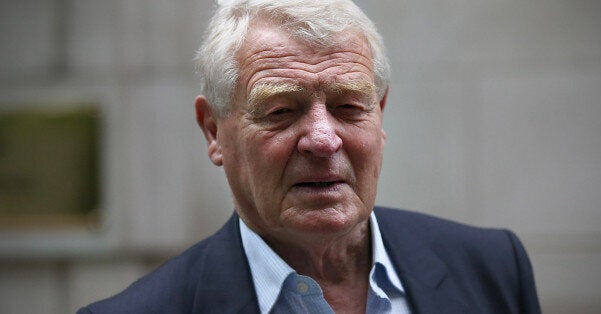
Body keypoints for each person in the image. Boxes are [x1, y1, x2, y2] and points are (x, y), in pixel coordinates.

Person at [78, 0, 541, 313]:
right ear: (214, 131)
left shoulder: (493, 269)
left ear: (378, 115)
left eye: (348, 107)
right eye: (281, 110)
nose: (323, 140)